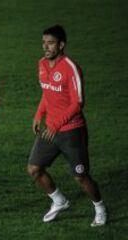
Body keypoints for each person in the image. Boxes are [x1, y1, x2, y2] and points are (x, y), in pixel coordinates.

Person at [27, 25, 107, 227]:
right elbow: (47, 92)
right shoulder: (42, 64)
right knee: (34, 169)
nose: (46, 47)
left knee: (80, 176)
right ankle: (59, 201)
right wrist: (39, 115)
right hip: (51, 129)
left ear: (61, 45)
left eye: (51, 43)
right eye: (44, 42)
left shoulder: (71, 67)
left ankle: (100, 208)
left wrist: (55, 124)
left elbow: (78, 102)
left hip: (72, 131)